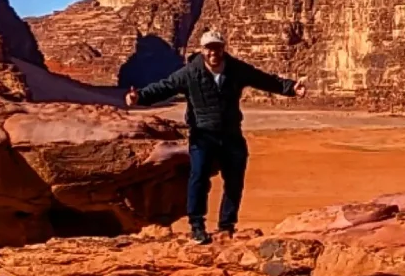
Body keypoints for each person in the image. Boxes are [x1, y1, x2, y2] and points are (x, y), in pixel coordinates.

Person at [126, 29, 306, 244]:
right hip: (203, 136)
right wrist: (139, 97)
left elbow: (263, 79)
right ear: (202, 50)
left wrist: (291, 88)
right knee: (198, 179)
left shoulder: (236, 69)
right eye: (209, 48)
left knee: (234, 182)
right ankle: (197, 226)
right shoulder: (190, 73)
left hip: (231, 134)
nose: (213, 52)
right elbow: (165, 87)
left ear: (223, 48)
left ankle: (226, 226)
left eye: (217, 48)